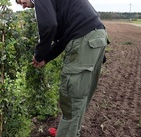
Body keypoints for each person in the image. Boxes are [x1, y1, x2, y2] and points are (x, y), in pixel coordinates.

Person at [15, 0, 109, 137]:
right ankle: (66, 132)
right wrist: (46, 58)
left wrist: (39, 54)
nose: (22, 6)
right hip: (96, 37)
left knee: (72, 96)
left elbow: (49, 25)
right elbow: (67, 36)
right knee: (80, 95)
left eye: (20, 1)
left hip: (85, 40)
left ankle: (66, 134)